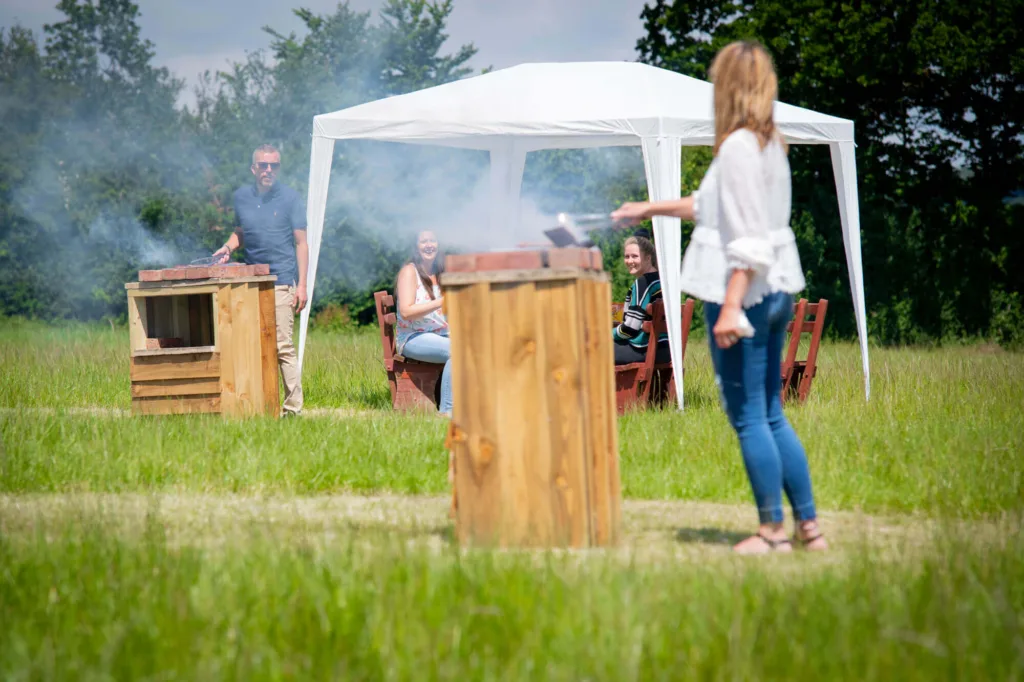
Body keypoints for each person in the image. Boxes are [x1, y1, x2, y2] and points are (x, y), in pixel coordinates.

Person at [611, 41, 828, 554]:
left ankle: (772, 532)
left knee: (750, 415)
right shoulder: (768, 144)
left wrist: (731, 305)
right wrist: (647, 207)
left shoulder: (735, 147)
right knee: (772, 413)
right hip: (774, 292)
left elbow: (747, 237)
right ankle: (809, 530)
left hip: (747, 295)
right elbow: (708, 204)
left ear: (726, 87)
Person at [214, 144, 307, 417]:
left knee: (282, 346)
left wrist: (301, 285)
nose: (269, 170)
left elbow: (302, 243)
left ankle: (293, 409)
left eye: (274, 165)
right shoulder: (241, 197)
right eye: (264, 165)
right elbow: (241, 231)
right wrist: (228, 248)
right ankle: (253, 404)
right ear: (253, 168)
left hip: (281, 281)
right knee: (248, 344)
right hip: (249, 282)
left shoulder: (290, 198)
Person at [395, 230, 452, 417]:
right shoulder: (409, 272)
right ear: (416, 247)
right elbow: (406, 311)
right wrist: (441, 302)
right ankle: (447, 413)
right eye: (423, 241)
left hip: (441, 336)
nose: (429, 245)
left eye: (432, 240)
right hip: (413, 338)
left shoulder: (441, 272)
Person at [613, 234, 670, 365]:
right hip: (665, 349)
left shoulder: (643, 283)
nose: (629, 261)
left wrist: (608, 334)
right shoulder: (662, 282)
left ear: (648, 258)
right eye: (627, 256)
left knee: (593, 350)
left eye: (635, 256)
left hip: (645, 349)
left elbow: (630, 328)